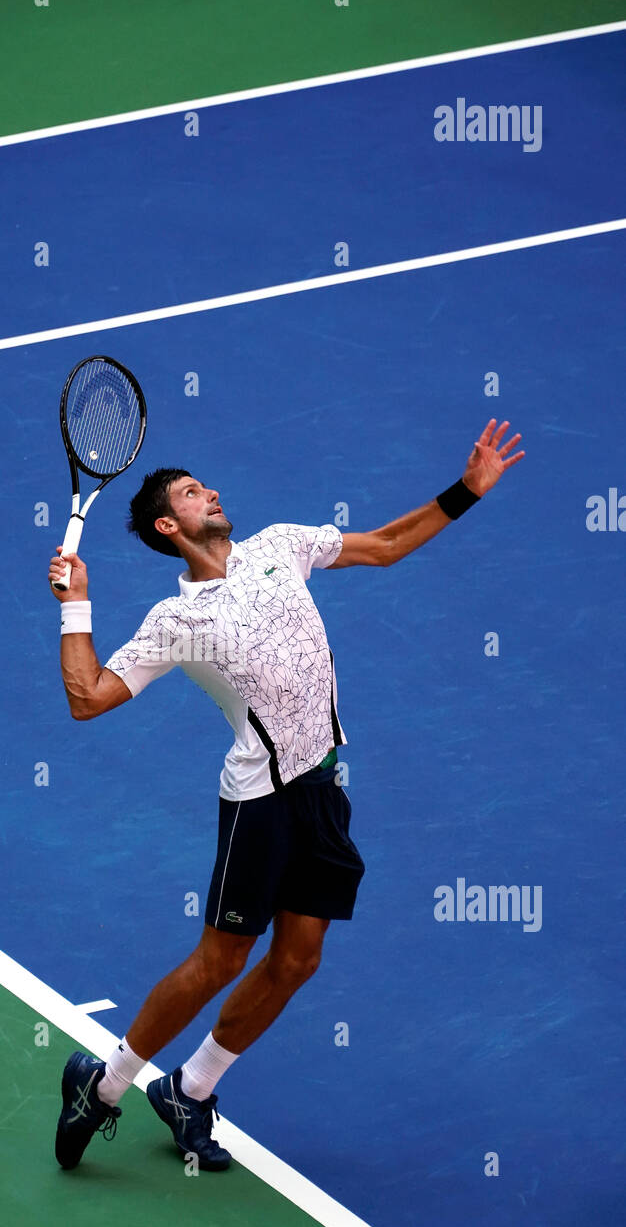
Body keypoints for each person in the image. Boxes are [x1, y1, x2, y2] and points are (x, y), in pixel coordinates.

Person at [49, 418, 523, 1172]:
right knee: (219, 961)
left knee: (299, 958)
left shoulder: (279, 545)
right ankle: (103, 1088)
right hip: (259, 802)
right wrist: (78, 606)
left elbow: (387, 544)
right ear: (170, 525)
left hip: (324, 784)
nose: (210, 491)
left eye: (205, 483)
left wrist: (465, 491)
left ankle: (191, 1088)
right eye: (191, 492)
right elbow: (89, 697)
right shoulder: (178, 621)